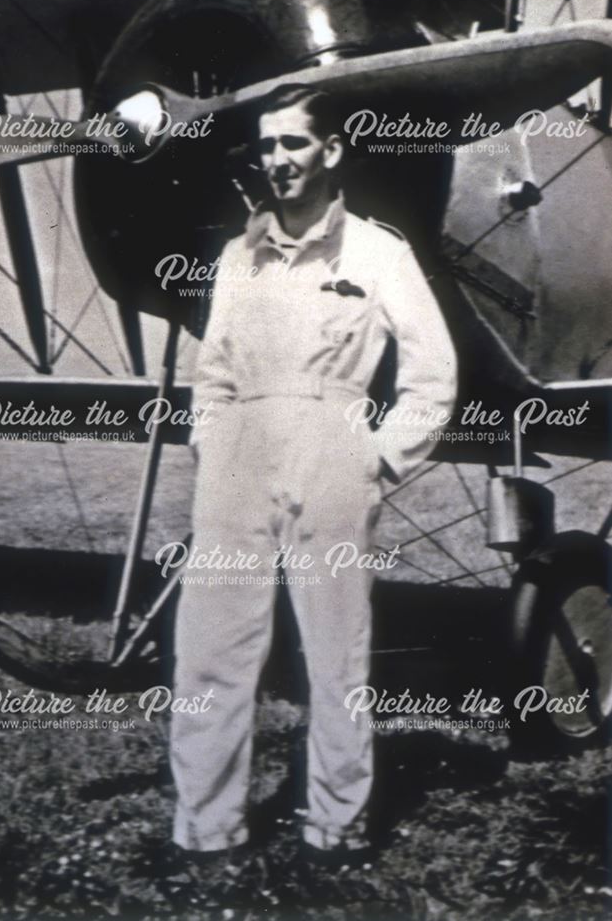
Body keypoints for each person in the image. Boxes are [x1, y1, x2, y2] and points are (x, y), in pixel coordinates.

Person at [169, 84, 456, 865]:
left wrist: (377, 459)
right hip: (237, 458)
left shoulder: (377, 253)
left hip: (333, 447)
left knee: (334, 655)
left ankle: (336, 825)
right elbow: (214, 370)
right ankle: (207, 827)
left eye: (292, 144)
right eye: (265, 147)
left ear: (331, 153)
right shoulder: (239, 256)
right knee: (211, 651)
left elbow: (432, 374)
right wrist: (213, 444)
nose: (275, 161)